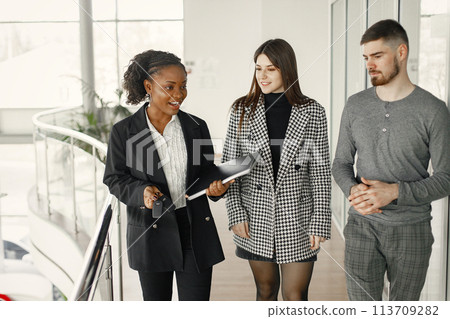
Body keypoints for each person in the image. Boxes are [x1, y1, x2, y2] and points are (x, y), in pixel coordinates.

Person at [332, 19, 450, 301]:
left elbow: (446, 178)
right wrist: (353, 189)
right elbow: (340, 163)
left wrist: (394, 192)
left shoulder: (433, 110)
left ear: (401, 52)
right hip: (362, 225)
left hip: (412, 230)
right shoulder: (355, 104)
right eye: (365, 58)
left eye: (377, 56)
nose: (369, 64)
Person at [103, 49, 231, 301]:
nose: (179, 94)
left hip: (194, 228)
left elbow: (206, 172)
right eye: (170, 87)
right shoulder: (124, 131)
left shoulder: (196, 126)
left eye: (183, 86)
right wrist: (141, 192)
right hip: (151, 231)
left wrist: (217, 188)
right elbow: (114, 178)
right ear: (148, 86)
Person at [222, 38, 332, 301]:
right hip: (255, 218)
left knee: (295, 295)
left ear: (286, 69)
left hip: (298, 218)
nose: (263, 75)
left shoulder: (313, 111)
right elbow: (228, 169)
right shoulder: (242, 110)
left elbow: (320, 173)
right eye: (258, 68)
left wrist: (320, 221)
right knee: (266, 291)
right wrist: (235, 213)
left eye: (270, 68)